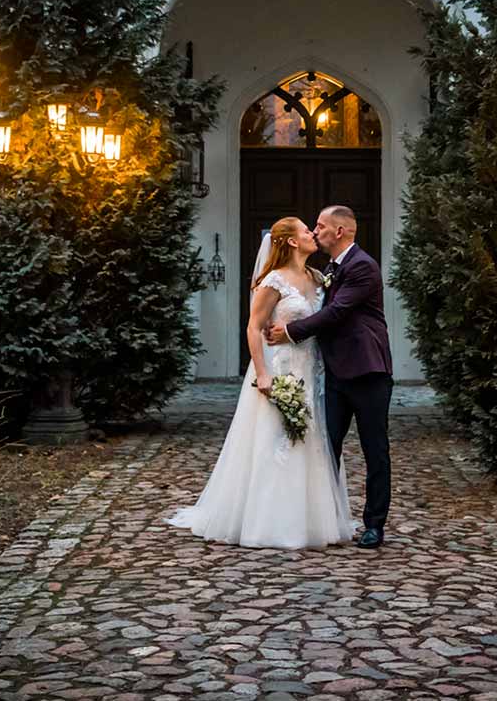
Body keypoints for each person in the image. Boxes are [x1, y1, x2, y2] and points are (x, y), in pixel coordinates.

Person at [165, 216, 355, 549]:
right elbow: (254, 328)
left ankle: (310, 520)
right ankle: (268, 520)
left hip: (310, 371)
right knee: (275, 440)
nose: (313, 233)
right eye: (306, 231)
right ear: (293, 242)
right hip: (278, 369)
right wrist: (263, 373)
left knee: (311, 440)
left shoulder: (316, 277)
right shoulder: (274, 281)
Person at [266, 205, 394, 549]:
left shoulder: (363, 267)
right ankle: (321, 518)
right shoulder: (327, 270)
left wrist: (290, 331)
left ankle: (374, 525)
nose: (315, 230)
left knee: (374, 449)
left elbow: (336, 313)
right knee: (325, 446)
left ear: (339, 232)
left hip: (368, 370)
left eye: (320, 226)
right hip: (335, 372)